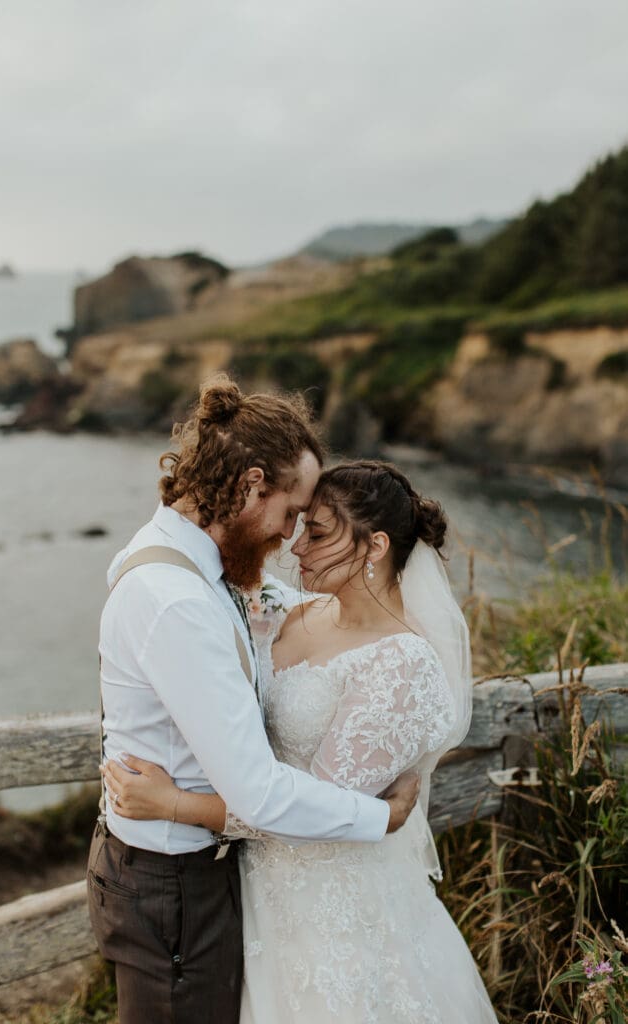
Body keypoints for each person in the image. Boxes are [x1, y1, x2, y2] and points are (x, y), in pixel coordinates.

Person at [104, 460, 500, 1023]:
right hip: (256, 899)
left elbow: (317, 809)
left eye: (316, 532)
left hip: (331, 915)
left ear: (375, 545)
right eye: (300, 524)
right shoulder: (295, 611)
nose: (296, 548)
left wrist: (173, 805)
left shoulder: (403, 665)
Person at [87, 380, 421, 1024]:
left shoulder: (200, 570)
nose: (292, 536)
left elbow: (279, 610)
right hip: (172, 885)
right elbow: (259, 795)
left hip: (186, 875)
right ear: (249, 485)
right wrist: (380, 819)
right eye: (291, 511)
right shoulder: (178, 599)